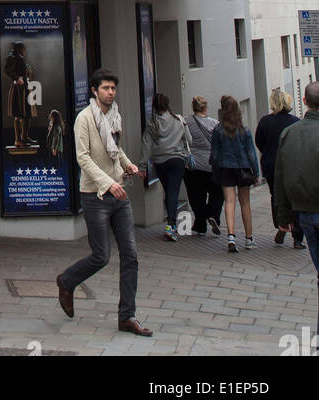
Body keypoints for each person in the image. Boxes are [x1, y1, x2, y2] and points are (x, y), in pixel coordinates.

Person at [56, 68, 151, 336]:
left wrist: (127, 164)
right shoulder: (84, 119)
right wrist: (106, 182)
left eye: (113, 88)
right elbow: (83, 157)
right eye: (106, 88)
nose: (111, 92)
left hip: (119, 194)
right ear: (94, 91)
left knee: (130, 255)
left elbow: (115, 148)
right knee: (101, 256)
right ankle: (66, 281)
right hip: (95, 195)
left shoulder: (114, 116)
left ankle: (127, 316)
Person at [274, 80, 319, 332]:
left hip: (304, 215)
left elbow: (280, 177)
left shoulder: (289, 133)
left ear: (304, 102)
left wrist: (283, 215)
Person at [210, 95, 259, 253]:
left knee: (229, 201)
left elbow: (215, 153)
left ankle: (231, 235)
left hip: (225, 168)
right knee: (245, 203)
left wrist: (215, 168)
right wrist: (256, 172)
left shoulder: (218, 130)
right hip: (243, 168)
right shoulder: (244, 130)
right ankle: (249, 238)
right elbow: (251, 153)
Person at [139, 92, 192, 241]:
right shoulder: (179, 120)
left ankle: (171, 224)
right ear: (168, 104)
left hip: (160, 162)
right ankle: (171, 225)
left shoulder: (152, 124)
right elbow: (189, 140)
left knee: (168, 191)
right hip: (177, 160)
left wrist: (142, 166)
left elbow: (146, 144)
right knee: (173, 191)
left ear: (154, 106)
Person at [255, 89, 304, 248]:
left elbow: (259, 142)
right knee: (294, 199)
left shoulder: (265, 121)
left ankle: (281, 224)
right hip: (291, 165)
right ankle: (297, 237)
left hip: (271, 164)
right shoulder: (295, 121)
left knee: (276, 196)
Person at [184, 96, 224, 236]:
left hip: (194, 166)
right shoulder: (215, 124)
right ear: (206, 108)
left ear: (193, 107)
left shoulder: (186, 122)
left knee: (196, 196)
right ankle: (213, 214)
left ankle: (200, 224)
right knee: (217, 193)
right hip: (213, 165)